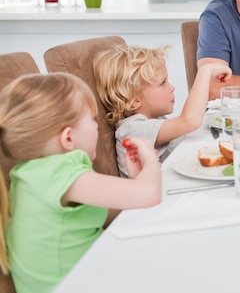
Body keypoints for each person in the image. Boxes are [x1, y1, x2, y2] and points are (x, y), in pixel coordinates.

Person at [0, 73, 161, 293]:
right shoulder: (59, 171)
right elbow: (150, 194)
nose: (97, 127)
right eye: (92, 120)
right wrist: (150, 157)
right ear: (68, 138)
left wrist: (134, 180)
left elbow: (116, 206)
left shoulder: (29, 173)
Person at [93, 45, 231, 177]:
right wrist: (205, 72)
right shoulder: (133, 130)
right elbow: (189, 121)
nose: (172, 88)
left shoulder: (155, 121)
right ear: (134, 100)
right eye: (162, 83)